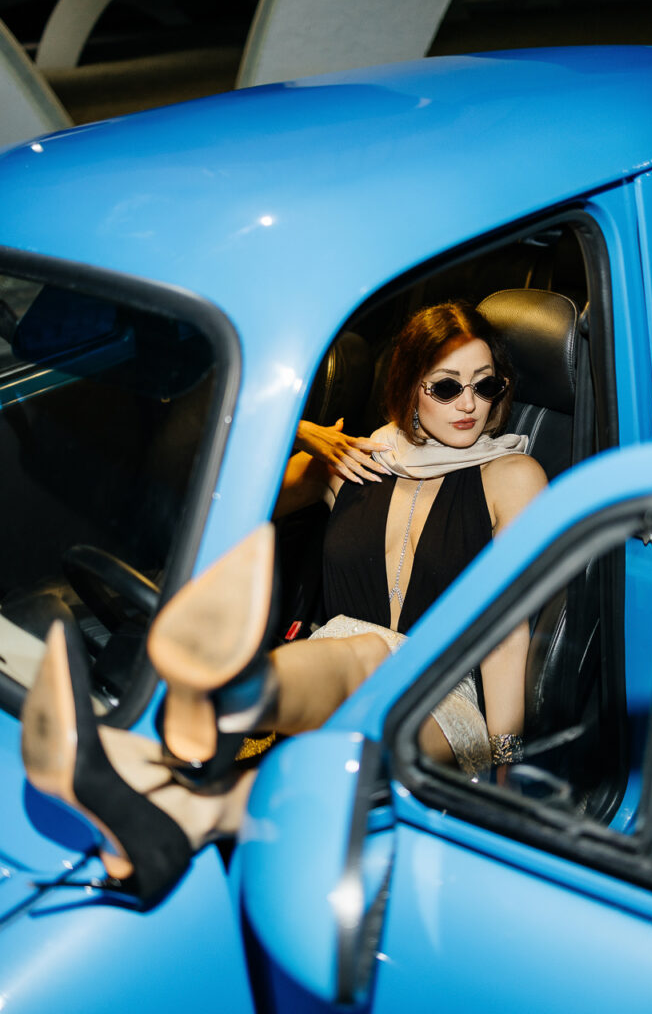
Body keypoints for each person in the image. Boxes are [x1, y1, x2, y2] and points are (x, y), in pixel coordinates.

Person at [20, 301, 547, 906]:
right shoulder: (355, 463)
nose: (469, 404)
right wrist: (302, 435)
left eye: (486, 386)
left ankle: (223, 697)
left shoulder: (513, 475)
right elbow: (231, 508)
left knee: (363, 661)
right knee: (342, 677)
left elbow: (509, 636)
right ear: (409, 387)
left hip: (440, 698)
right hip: (327, 674)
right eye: (448, 387)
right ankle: (168, 782)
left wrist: (506, 769)